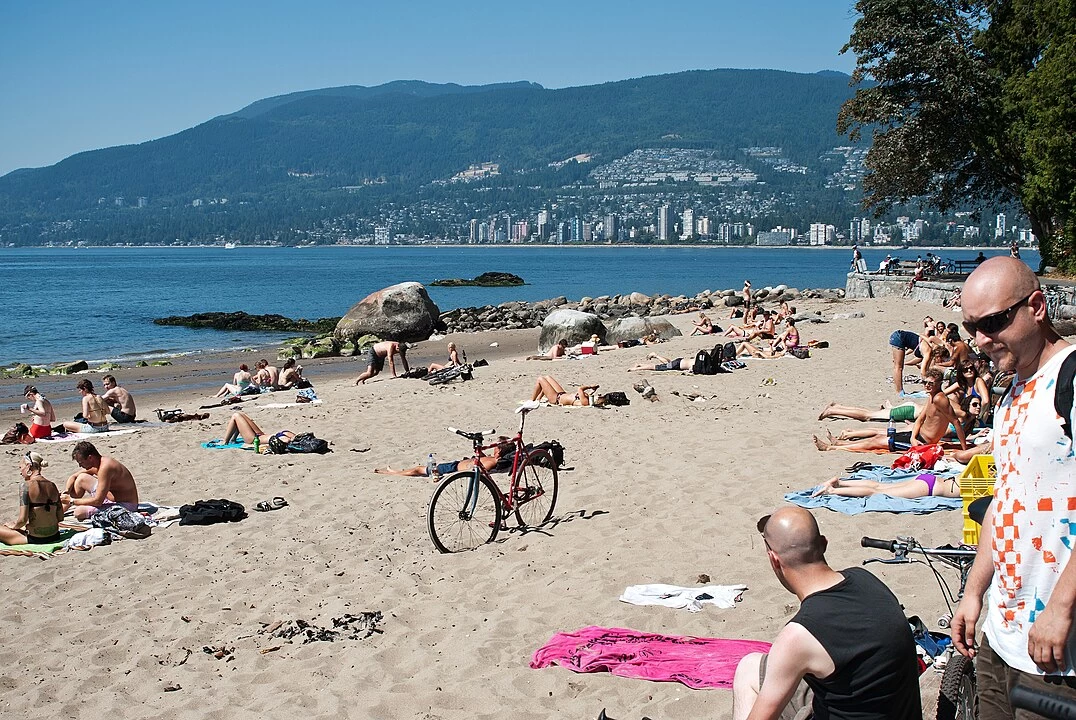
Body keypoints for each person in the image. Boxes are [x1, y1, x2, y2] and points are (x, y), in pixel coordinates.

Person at [949, 257, 1076, 718]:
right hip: (1002, 636)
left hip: (1058, 652)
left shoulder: (1071, 379)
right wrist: (974, 593)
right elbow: (1005, 504)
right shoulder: (1010, 396)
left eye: (994, 322)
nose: (982, 340)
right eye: (971, 328)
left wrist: (1060, 609)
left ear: (1037, 307)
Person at [731, 507, 921, 720]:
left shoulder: (799, 635)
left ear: (774, 559)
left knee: (748, 673)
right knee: (752, 666)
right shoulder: (868, 580)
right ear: (823, 544)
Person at [813, 369, 966, 452]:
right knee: (875, 432)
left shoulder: (940, 399)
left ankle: (831, 447)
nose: (926, 385)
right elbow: (920, 419)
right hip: (917, 435)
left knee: (875, 439)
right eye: (925, 382)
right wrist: (913, 436)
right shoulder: (931, 396)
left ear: (939, 384)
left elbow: (956, 423)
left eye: (930, 383)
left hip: (923, 441)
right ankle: (838, 443)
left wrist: (964, 448)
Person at [62, 441, 139, 520]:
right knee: (81, 478)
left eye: (81, 462)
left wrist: (72, 501)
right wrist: (67, 490)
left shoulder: (105, 467)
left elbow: (98, 501)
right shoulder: (97, 463)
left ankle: (65, 506)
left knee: (79, 512)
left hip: (126, 505)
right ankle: (60, 512)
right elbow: (74, 476)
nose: (80, 465)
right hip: (109, 497)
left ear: (90, 458)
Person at [0, 451, 63, 546]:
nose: (20, 472)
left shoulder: (25, 486)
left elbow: (22, 520)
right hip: (55, 535)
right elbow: (60, 517)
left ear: (28, 466)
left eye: (21, 467)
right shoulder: (53, 485)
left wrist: (14, 526)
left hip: (36, 538)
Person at [374, 438, 510, 478]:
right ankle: (394, 471)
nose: (494, 446)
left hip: (453, 468)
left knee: (419, 469)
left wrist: (468, 467)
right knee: (422, 468)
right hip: (456, 464)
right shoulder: (491, 457)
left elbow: (479, 469)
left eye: (496, 446)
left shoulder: (493, 461)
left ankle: (392, 472)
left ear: (498, 450)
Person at [811, 471, 960, 499]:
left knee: (880, 486)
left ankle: (840, 483)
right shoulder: (982, 485)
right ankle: (832, 490)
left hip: (931, 479)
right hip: (930, 488)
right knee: (876, 492)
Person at [221, 410, 295, 449]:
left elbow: (281, 444)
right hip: (260, 435)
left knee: (236, 416)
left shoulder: (286, 440)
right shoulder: (290, 435)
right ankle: (233, 439)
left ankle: (225, 441)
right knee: (241, 415)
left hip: (253, 440)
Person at [817, 400, 921, 424]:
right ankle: (832, 411)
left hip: (911, 407)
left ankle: (838, 407)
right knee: (867, 416)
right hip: (910, 412)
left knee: (869, 413)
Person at [530, 375, 606, 407]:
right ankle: (538, 399)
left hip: (556, 399)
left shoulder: (585, 402)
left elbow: (580, 389)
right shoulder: (587, 399)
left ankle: (531, 401)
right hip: (562, 394)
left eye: (598, 397)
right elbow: (586, 395)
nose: (597, 396)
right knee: (547, 377)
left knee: (540, 379)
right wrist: (592, 391)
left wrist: (590, 386)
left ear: (596, 401)